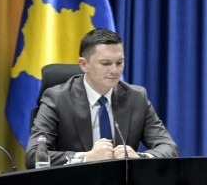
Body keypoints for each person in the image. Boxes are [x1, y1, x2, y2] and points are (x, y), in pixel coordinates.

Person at [25, 28, 178, 168]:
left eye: (119, 63)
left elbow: (168, 147)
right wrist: (85, 158)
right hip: (74, 184)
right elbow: (34, 156)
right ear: (84, 64)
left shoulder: (136, 98)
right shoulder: (57, 99)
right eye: (106, 63)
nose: (115, 70)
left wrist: (140, 157)